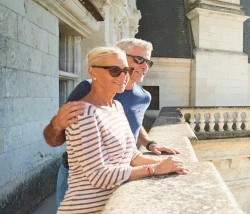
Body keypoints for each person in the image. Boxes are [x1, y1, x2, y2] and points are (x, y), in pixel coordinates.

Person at [42, 38, 180, 207]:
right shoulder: (86, 94)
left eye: (148, 62)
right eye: (139, 60)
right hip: (83, 183)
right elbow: (58, 138)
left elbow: (134, 124)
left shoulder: (135, 99)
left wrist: (151, 144)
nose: (144, 67)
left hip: (122, 174)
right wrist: (56, 124)